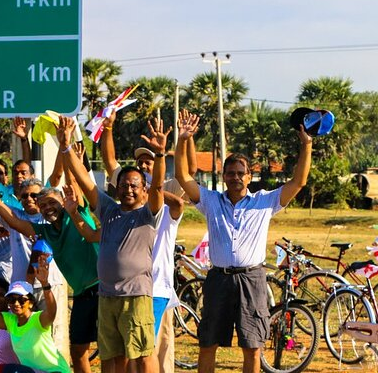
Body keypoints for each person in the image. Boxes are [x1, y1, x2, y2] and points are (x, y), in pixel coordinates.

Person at [174, 112, 313, 373]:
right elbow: (183, 177)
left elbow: (298, 182)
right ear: (224, 176)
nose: (236, 177)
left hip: (252, 279)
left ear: (249, 177)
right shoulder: (211, 201)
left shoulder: (264, 201)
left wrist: (307, 145)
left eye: (241, 173)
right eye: (231, 173)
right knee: (208, 343)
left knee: (252, 345)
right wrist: (183, 141)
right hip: (218, 279)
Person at [61, 115, 169, 373]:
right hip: (107, 296)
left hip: (136, 297)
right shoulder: (109, 210)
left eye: (134, 185)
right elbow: (84, 179)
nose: (128, 189)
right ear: (116, 187)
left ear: (143, 190)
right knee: (110, 357)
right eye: (123, 185)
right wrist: (65, 146)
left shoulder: (148, 214)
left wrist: (161, 154)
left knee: (143, 356)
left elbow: (157, 188)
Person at [100, 110, 199, 373]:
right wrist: (108, 129)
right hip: (127, 289)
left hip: (156, 288)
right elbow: (110, 163)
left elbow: (188, 171)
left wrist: (184, 140)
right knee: (129, 355)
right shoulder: (127, 194)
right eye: (140, 162)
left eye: (148, 162)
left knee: (153, 354)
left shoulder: (168, 191)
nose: (144, 165)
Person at [0, 178, 99, 373]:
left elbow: (74, 180)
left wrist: (66, 150)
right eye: (43, 205)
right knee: (78, 350)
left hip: (102, 287)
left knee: (110, 349)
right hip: (81, 294)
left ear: (64, 202)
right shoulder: (46, 230)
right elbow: (15, 222)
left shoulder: (75, 214)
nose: (47, 207)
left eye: (52, 202)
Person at [0, 254, 70, 373]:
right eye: (11, 299)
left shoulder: (38, 320)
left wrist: (45, 285)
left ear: (30, 303)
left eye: (21, 300)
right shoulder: (11, 321)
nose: (16, 303)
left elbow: (52, 312)